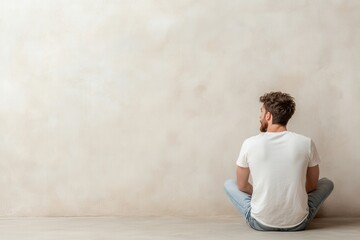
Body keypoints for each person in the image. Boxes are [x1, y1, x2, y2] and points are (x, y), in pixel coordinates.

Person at [224, 91, 334, 231]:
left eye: (261, 112)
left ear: (268, 116)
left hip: (260, 222)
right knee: (327, 183)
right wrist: (293, 193)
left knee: (229, 184)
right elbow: (312, 185)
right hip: (298, 223)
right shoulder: (306, 142)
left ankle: (264, 202)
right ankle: (290, 204)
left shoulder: (249, 143)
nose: (260, 117)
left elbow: (242, 186)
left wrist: (263, 193)